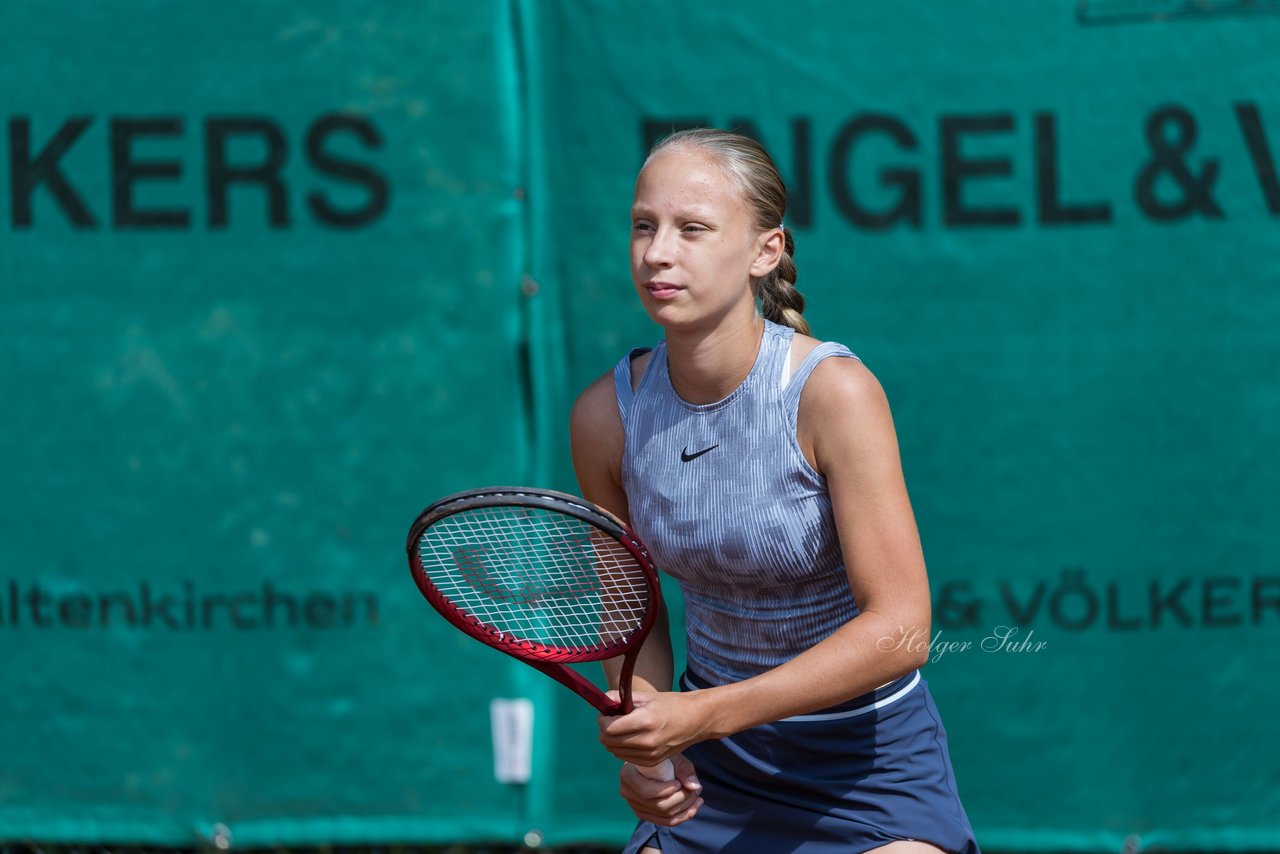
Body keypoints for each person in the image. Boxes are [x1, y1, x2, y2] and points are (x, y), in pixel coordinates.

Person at [569, 128, 979, 854]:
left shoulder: (834, 394)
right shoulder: (604, 417)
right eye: (643, 226)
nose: (658, 252)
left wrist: (705, 715)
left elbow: (903, 628)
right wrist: (651, 749)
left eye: (692, 229)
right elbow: (635, 614)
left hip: (867, 764)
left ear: (765, 250)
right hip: (714, 772)